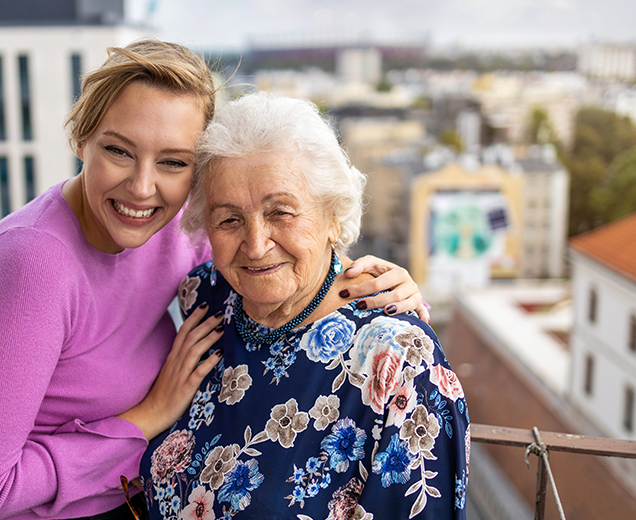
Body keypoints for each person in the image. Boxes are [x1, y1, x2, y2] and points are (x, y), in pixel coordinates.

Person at [0, 39, 429, 520]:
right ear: (80, 140)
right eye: (118, 151)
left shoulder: (170, 224)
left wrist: (378, 284)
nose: (141, 187)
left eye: (173, 162)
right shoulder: (30, 263)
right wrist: (148, 418)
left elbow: (270, 254)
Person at [140, 92, 469, 520]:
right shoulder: (205, 297)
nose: (256, 245)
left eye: (280, 212)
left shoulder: (398, 359)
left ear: (333, 215)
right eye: (229, 219)